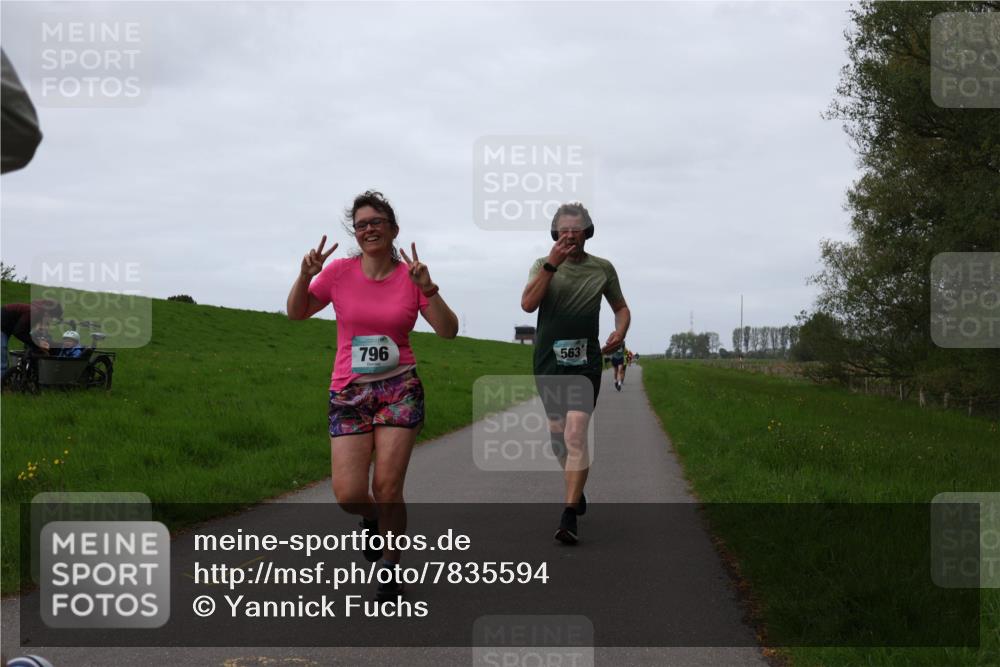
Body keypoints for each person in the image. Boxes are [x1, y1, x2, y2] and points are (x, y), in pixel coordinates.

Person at [287, 190, 458, 599]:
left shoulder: (411, 276)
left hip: (400, 387)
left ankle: (389, 565)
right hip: (349, 390)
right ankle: (375, 520)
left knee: (387, 486)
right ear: (356, 233)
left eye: (376, 222)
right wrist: (305, 275)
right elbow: (297, 311)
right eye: (361, 224)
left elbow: (448, 330)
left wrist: (429, 289)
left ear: (393, 229)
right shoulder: (340, 273)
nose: (368, 229)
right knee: (348, 494)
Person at [521, 202, 630, 544]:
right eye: (563, 229)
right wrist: (552, 265)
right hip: (549, 362)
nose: (570, 234)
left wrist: (620, 331)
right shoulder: (543, 264)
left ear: (587, 231)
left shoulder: (603, 269)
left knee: (575, 433)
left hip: (586, 362)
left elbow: (621, 308)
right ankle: (575, 486)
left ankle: (569, 514)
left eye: (576, 228)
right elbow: (527, 304)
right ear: (555, 233)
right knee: (557, 434)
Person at [1, 299, 61, 383]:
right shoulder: (34, 312)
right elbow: (19, 332)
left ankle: (5, 382)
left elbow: (26, 333)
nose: (50, 320)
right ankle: (3, 386)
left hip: (6, 327)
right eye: (52, 317)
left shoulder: (37, 313)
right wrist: (38, 344)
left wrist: (38, 343)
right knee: (2, 357)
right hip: (3, 326)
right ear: (48, 313)